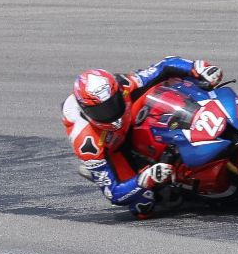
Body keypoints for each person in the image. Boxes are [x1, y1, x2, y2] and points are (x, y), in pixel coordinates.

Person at [62, 57, 223, 217]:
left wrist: (198, 68)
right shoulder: (87, 144)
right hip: (114, 150)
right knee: (143, 206)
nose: (110, 113)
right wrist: (145, 179)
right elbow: (114, 195)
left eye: (113, 102)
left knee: (169, 86)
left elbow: (165, 66)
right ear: (86, 111)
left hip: (130, 118)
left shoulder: (123, 84)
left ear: (117, 90)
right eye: (102, 111)